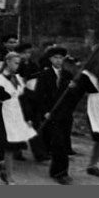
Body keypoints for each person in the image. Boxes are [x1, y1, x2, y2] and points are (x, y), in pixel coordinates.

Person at [0, 52, 37, 185]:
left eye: (18, 63)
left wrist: (28, 117)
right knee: (9, 146)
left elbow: (23, 99)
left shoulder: (18, 79)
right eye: (15, 62)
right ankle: (9, 177)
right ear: (8, 62)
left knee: (15, 145)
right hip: (5, 115)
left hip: (17, 114)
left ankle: (4, 166)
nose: (17, 65)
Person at [34, 46, 76, 184]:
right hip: (51, 115)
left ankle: (56, 170)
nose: (58, 60)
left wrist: (71, 89)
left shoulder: (68, 76)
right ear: (50, 59)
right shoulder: (44, 75)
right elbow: (39, 96)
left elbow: (72, 98)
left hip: (64, 115)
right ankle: (61, 172)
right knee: (58, 144)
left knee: (64, 142)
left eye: (61, 58)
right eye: (55, 58)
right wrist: (44, 111)